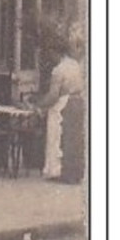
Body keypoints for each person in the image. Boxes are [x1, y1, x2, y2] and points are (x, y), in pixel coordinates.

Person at [39, 35, 85, 184]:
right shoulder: (75, 65)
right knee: (74, 139)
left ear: (55, 52)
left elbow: (53, 95)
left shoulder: (58, 70)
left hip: (63, 104)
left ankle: (57, 170)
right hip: (78, 102)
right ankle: (74, 172)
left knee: (57, 137)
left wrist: (40, 105)